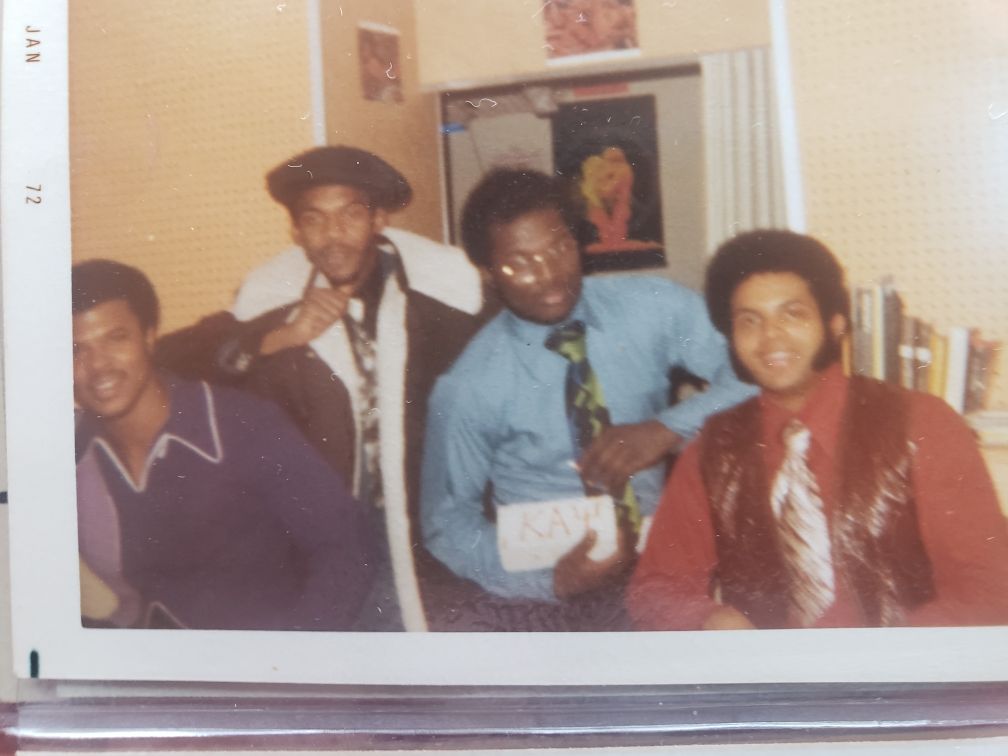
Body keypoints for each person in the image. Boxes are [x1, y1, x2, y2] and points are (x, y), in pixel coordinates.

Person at [156, 145, 491, 631]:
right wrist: (278, 338)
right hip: (333, 534)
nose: (333, 236)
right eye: (315, 220)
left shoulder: (438, 297)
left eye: (350, 215)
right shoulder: (274, 302)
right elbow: (172, 357)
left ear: (378, 220)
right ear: (296, 232)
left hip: (431, 524)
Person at [420, 169, 755, 631]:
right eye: (520, 264)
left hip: (659, 566)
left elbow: (754, 371)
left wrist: (667, 428)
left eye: (559, 248)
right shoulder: (469, 385)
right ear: (489, 274)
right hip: (545, 585)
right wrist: (550, 581)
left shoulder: (650, 307)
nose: (549, 275)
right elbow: (446, 524)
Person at [628, 230, 1008, 630]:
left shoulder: (923, 424)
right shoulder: (712, 450)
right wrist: (708, 617)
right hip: (774, 668)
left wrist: (887, 655)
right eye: (749, 321)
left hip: (906, 663)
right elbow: (655, 588)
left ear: (835, 323)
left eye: (792, 314)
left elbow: (989, 585)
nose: (770, 337)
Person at [72, 260, 376, 631]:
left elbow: (346, 546)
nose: (98, 366)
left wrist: (296, 650)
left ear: (149, 337)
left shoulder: (240, 424)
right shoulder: (69, 455)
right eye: (76, 349)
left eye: (116, 338)